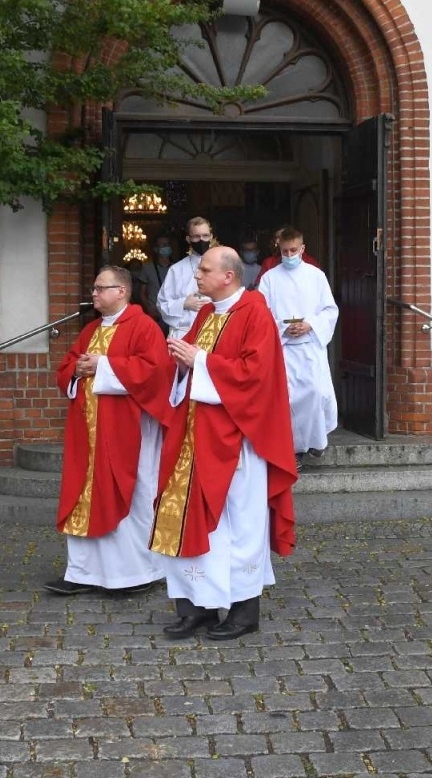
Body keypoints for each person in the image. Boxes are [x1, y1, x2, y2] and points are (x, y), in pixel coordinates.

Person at [149, 246, 297, 642]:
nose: (197, 276)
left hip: (238, 442)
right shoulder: (204, 314)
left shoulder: (255, 315)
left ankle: (244, 611)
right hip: (194, 439)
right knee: (186, 517)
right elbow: (191, 368)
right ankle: (195, 607)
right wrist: (182, 362)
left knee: (239, 527)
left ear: (228, 276)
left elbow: (256, 377)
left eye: (205, 270)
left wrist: (198, 360)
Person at [43, 265, 168, 596]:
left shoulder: (144, 328)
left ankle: (135, 573)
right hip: (88, 432)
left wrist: (104, 365)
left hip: (128, 431)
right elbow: (67, 367)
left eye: (101, 288)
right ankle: (82, 572)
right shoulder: (91, 330)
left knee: (134, 495)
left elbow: (155, 373)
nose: (94, 294)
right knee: (82, 495)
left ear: (121, 291)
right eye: (94, 288)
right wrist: (77, 370)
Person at [256, 227, 339, 464]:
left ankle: (315, 442)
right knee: (288, 398)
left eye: (294, 250)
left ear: (303, 249)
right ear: (278, 249)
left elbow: (329, 309)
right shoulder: (269, 278)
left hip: (310, 347)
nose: (290, 255)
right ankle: (293, 450)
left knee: (314, 393)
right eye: (285, 251)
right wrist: (283, 329)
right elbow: (261, 313)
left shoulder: (316, 276)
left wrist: (310, 324)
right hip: (283, 348)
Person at [156, 217, 216, 336]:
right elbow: (161, 304)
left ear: (211, 237)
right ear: (188, 239)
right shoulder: (177, 269)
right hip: (184, 333)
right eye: (196, 236)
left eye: (205, 235)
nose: (201, 240)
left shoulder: (222, 266)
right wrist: (184, 303)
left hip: (213, 331)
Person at [133, 236, 174, 324]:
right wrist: (149, 309)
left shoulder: (176, 267)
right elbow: (142, 292)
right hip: (155, 315)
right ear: (156, 249)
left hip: (173, 313)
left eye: (167, 244)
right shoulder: (147, 268)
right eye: (163, 245)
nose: (166, 247)